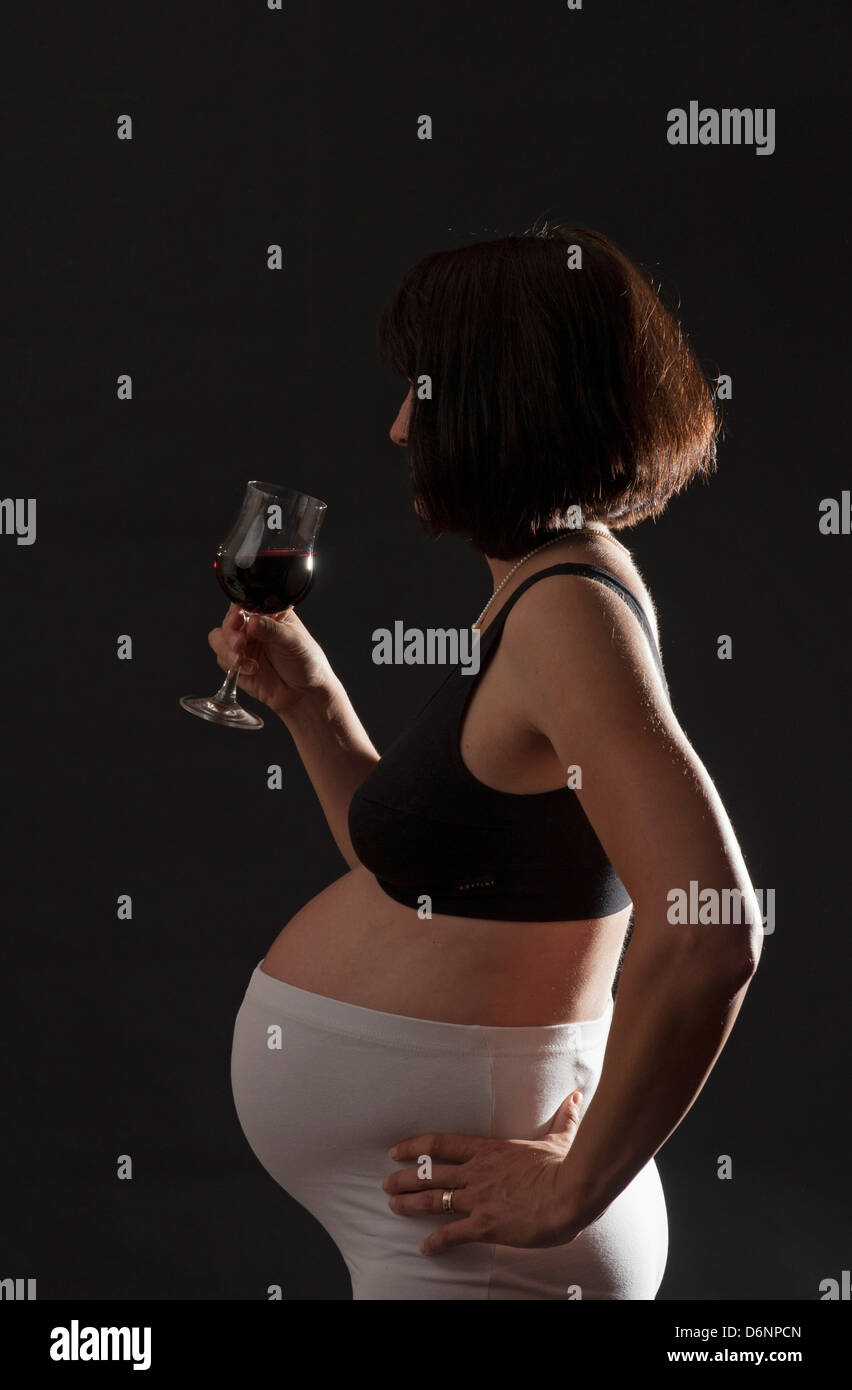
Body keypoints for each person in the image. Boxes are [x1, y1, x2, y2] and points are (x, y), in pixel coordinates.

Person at [223, 222, 763, 1300]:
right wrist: (311, 701)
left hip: (478, 1236)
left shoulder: (567, 610)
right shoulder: (554, 587)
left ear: (498, 401)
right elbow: (432, 884)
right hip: (447, 1221)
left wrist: (571, 1194)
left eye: (419, 396)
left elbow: (713, 926)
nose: (396, 430)